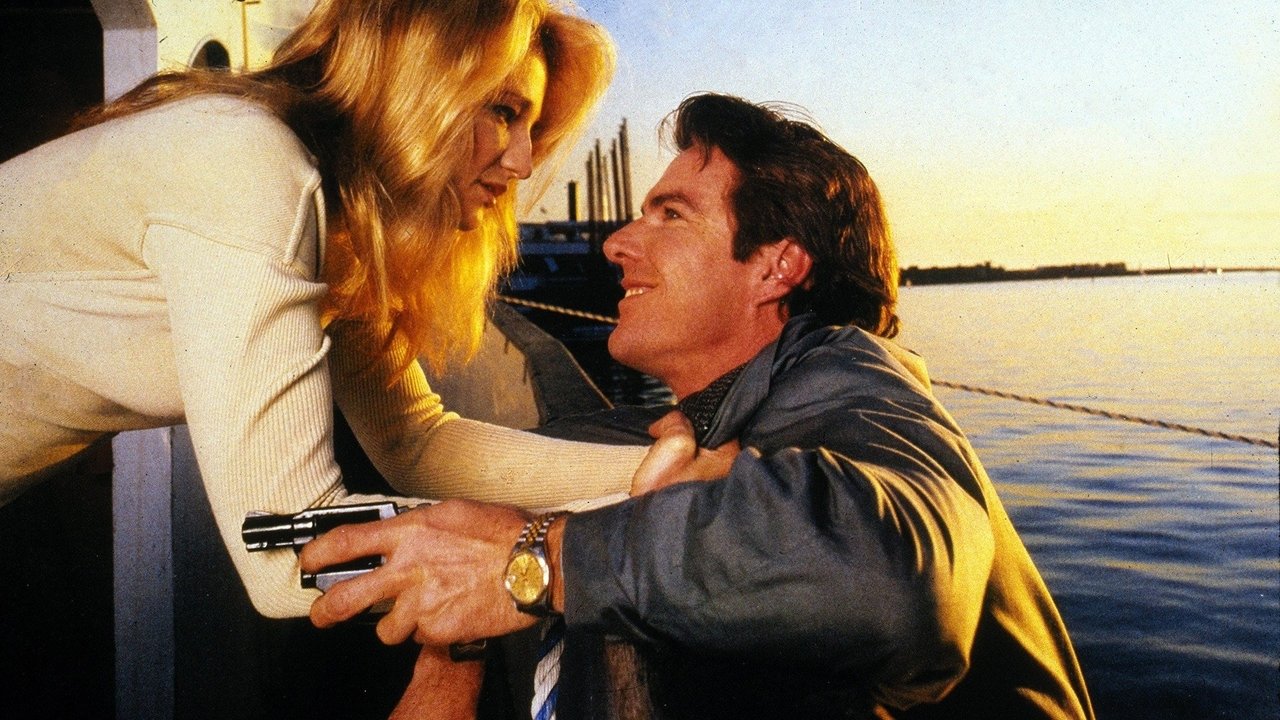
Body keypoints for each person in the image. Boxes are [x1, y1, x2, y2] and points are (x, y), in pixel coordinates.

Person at [301, 93, 1095, 719]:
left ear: (776, 267)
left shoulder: (846, 373)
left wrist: (538, 565)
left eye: (671, 215)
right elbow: (494, 492)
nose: (617, 243)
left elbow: (904, 583)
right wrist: (454, 653)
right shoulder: (704, 415)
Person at [0, 0, 650, 621]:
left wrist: (666, 478)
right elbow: (287, 554)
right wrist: (563, 554)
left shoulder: (346, 223)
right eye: (504, 112)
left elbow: (417, 444)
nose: (524, 162)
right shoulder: (248, 163)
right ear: (418, 82)